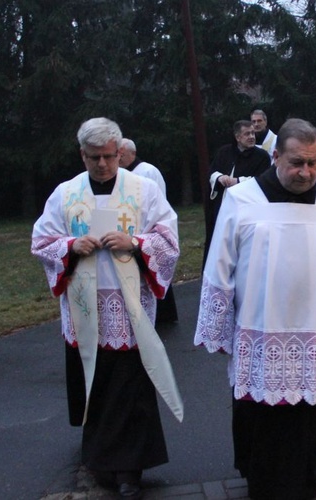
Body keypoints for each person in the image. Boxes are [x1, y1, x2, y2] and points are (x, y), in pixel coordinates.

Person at [194, 118, 316, 500]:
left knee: (308, 422)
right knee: (262, 421)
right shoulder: (242, 199)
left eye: (312, 163)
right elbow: (219, 266)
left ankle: (303, 488)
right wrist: (218, 327)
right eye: (296, 162)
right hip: (259, 332)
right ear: (275, 156)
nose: (305, 172)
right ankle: (261, 485)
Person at [32, 117, 183, 499]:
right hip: (86, 309)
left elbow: (168, 238)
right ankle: (100, 461)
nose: (102, 164)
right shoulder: (65, 193)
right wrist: (70, 246)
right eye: (94, 157)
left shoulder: (144, 190)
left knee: (130, 389)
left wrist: (135, 242)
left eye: (109, 157)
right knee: (96, 387)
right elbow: (42, 240)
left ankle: (130, 470)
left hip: (129, 309)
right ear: (82, 155)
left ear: (120, 152)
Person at [119, 138, 178, 323]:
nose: (118, 157)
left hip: (148, 228)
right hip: (128, 227)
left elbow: (157, 200)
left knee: (153, 269)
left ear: (132, 153)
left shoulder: (147, 171)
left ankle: (162, 316)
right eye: (117, 153)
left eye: (122, 153)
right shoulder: (120, 174)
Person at [202, 120, 271, 266]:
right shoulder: (224, 152)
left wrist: (237, 181)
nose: (252, 136)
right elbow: (212, 172)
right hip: (222, 206)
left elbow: (263, 180)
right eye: (247, 134)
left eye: (253, 133)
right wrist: (220, 177)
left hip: (247, 209)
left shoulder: (262, 156)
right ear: (237, 137)